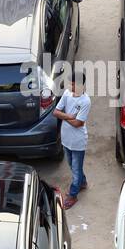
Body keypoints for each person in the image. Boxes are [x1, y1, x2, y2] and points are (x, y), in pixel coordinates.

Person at [52, 71, 90, 208]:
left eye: (72, 84)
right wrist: (69, 116)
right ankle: (83, 182)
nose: (70, 86)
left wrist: (64, 116)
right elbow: (55, 112)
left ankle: (73, 195)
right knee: (73, 165)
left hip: (78, 141)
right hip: (66, 139)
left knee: (75, 169)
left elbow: (78, 124)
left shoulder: (85, 101)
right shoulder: (67, 94)